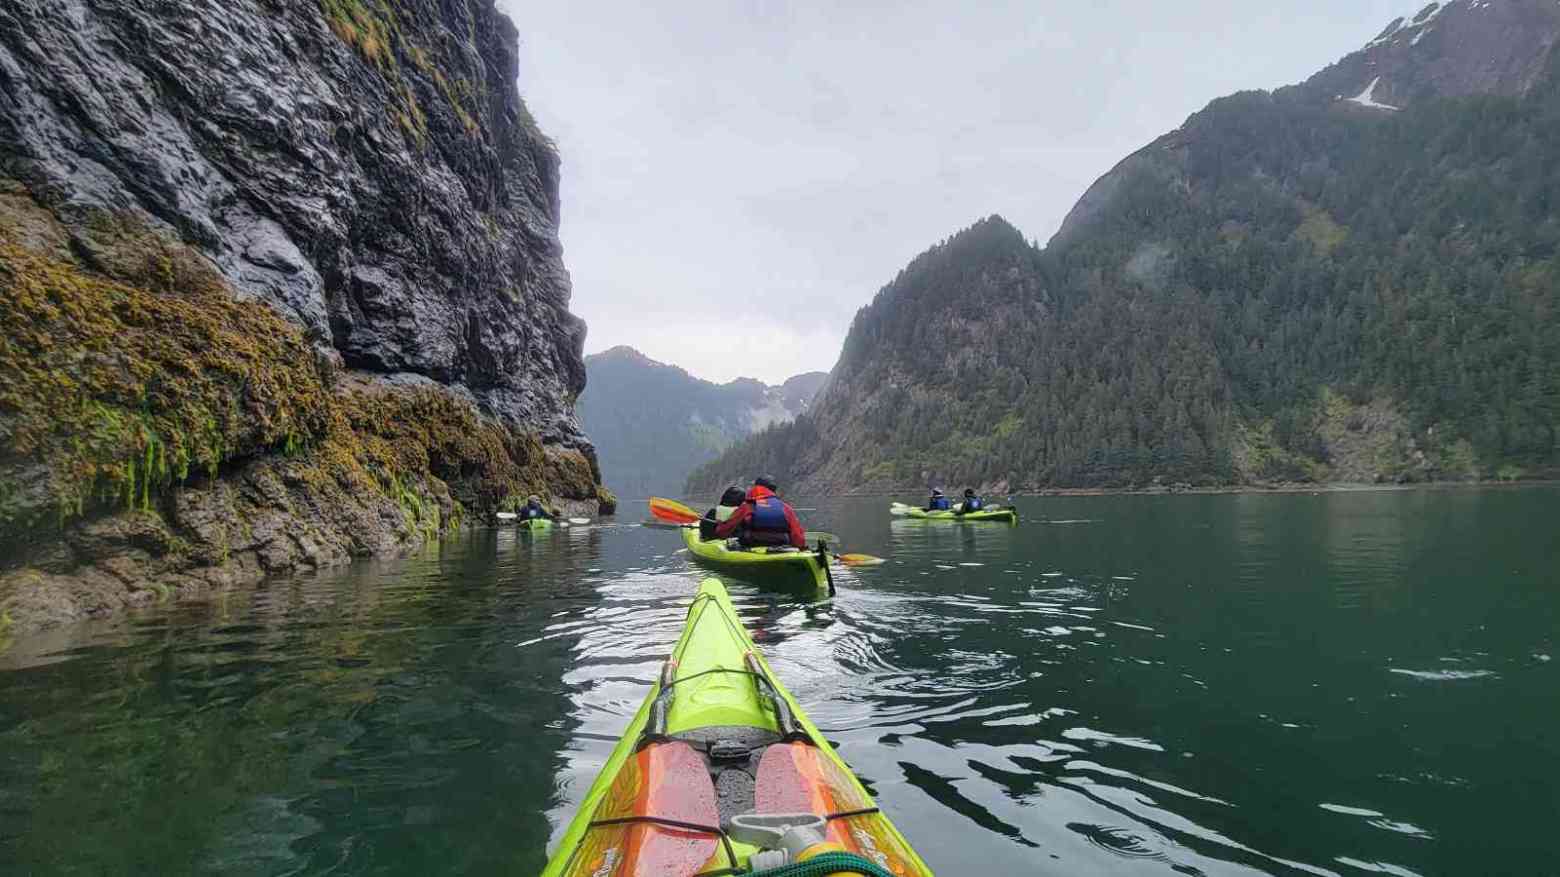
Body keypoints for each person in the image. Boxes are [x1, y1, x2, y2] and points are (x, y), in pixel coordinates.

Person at [714, 476, 807, 549]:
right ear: (774, 490)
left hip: (752, 544)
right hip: (781, 544)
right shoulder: (785, 508)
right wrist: (800, 547)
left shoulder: (747, 506)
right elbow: (798, 536)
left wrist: (719, 532)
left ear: (756, 488)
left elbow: (724, 530)